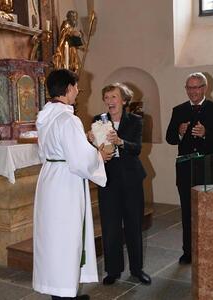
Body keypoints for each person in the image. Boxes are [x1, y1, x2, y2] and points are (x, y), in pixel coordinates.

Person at [33, 69, 107, 300]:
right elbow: (80, 161)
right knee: (66, 236)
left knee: (54, 238)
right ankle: (64, 294)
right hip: (66, 182)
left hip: (51, 178)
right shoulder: (68, 118)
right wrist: (99, 156)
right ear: (67, 89)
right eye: (75, 87)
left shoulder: (46, 116)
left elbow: (58, 148)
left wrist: (83, 141)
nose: (78, 91)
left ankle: (62, 290)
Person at [88, 82, 151, 285]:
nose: (109, 101)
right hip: (107, 179)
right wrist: (89, 140)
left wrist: (120, 141)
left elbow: (137, 148)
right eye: (106, 98)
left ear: (124, 100)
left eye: (113, 97)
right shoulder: (98, 120)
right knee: (110, 226)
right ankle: (112, 271)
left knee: (133, 224)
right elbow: (94, 150)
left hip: (131, 178)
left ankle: (137, 269)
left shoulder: (135, 120)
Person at [166, 72, 213, 265]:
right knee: (187, 210)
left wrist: (206, 133)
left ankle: (210, 249)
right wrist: (178, 131)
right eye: (189, 88)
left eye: (196, 87)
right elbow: (169, 138)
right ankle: (189, 251)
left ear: (204, 88)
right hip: (185, 168)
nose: (193, 91)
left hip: (209, 167)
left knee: (210, 210)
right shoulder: (178, 110)